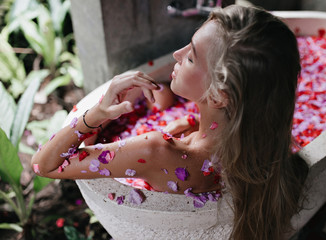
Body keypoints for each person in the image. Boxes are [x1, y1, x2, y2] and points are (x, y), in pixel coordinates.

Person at [32, 5, 308, 239]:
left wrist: (97, 114)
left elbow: (43, 164)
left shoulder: (154, 150)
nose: (177, 53)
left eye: (190, 57)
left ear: (219, 96)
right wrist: (175, 121)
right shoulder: (263, 138)